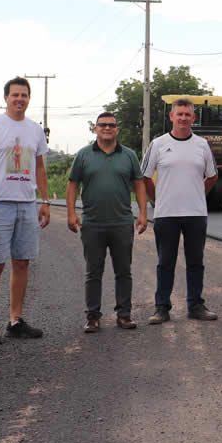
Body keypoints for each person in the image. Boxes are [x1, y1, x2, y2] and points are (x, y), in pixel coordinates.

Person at [0, 76, 49, 342]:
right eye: (15, 95)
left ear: (29, 99)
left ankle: (15, 320)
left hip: (27, 203)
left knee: (22, 262)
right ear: (5, 97)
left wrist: (46, 201)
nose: (20, 99)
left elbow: (39, 167)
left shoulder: (35, 130)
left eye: (24, 95)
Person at [66, 111, 149, 333]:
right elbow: (73, 184)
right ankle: (92, 317)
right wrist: (71, 213)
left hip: (122, 222)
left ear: (117, 129)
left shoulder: (129, 155)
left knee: (124, 270)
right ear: (95, 128)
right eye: (102, 125)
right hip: (92, 223)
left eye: (111, 125)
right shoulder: (83, 155)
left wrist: (142, 213)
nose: (107, 128)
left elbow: (139, 184)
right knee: (94, 271)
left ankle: (124, 315)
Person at [142, 98, 218, 323]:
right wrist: (157, 199)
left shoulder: (202, 145)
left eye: (188, 114)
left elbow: (212, 176)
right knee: (165, 262)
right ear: (171, 117)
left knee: (196, 262)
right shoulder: (157, 144)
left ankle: (196, 305)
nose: (184, 118)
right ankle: (161, 307)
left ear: (193, 118)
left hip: (195, 213)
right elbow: (144, 177)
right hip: (166, 214)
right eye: (180, 114)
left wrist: (197, 194)